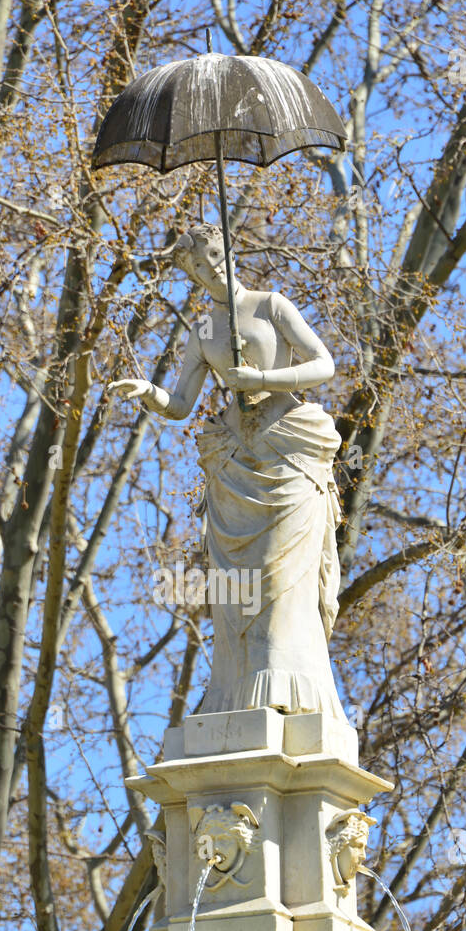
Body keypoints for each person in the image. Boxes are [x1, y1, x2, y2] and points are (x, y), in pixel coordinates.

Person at [108, 223, 350, 724]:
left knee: (282, 584)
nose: (211, 267)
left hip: (286, 454)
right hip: (236, 463)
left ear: (229, 251)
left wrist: (262, 378)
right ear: (191, 275)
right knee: (238, 592)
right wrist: (147, 392)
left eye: (216, 255)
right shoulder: (203, 330)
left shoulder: (270, 305)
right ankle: (236, 695)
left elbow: (323, 364)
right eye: (198, 265)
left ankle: (288, 692)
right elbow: (180, 404)